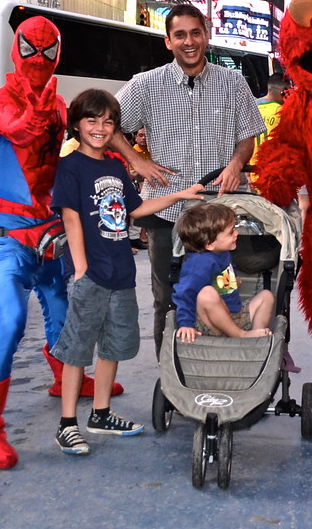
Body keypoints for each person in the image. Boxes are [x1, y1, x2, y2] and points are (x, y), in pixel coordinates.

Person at [0, 17, 122, 471]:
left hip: (48, 228)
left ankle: (63, 380)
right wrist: (43, 103)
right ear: (17, 50)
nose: (38, 60)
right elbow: (23, 131)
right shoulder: (1, 103)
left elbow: (95, 138)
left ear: (58, 52)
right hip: (9, 233)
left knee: (63, 310)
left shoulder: (57, 106)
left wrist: (128, 159)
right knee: (11, 320)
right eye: (30, 50)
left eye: (47, 51)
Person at [51, 89, 204, 455]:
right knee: (77, 349)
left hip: (120, 270)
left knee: (113, 345)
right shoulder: (71, 166)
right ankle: (67, 422)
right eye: (92, 120)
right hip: (90, 273)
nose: (101, 128)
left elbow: (135, 209)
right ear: (77, 125)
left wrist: (180, 195)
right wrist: (81, 268)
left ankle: (100, 413)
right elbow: (71, 218)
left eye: (108, 122)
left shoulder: (116, 166)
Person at [111, 3, 265, 357]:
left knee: (231, 291)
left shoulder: (234, 82)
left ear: (207, 36)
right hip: (169, 212)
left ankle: (223, 369)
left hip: (225, 212)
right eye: (180, 35)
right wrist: (137, 160)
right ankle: (173, 377)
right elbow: (107, 122)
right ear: (168, 41)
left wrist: (236, 163)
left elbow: (247, 136)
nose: (189, 41)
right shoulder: (145, 85)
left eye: (196, 33)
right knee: (168, 296)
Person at [173, 203, 273, 343]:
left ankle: (255, 339)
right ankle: (241, 335)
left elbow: (225, 269)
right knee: (206, 294)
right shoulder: (199, 264)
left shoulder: (222, 252)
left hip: (234, 314)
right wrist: (185, 324)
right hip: (211, 323)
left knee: (266, 296)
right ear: (210, 244)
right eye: (231, 232)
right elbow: (184, 294)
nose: (237, 233)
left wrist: (233, 279)